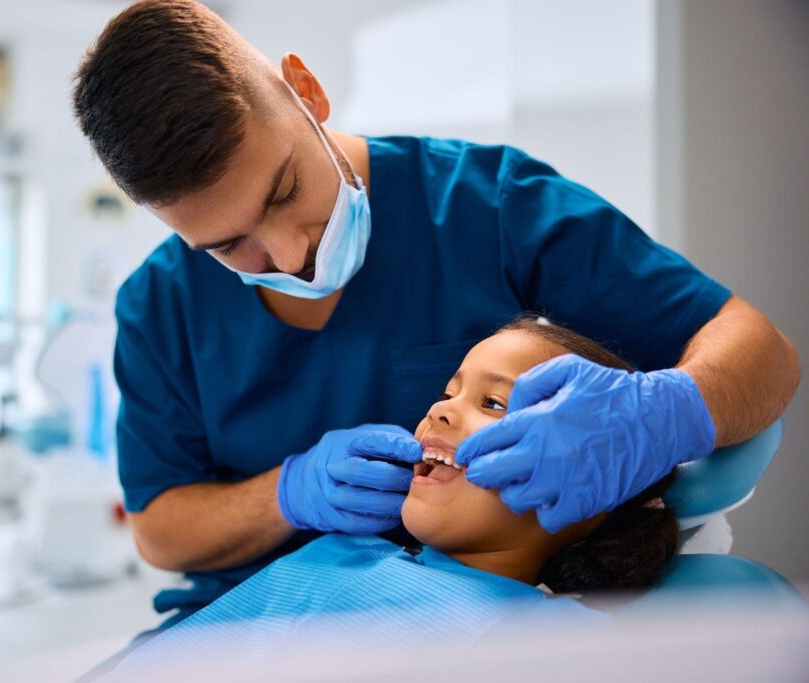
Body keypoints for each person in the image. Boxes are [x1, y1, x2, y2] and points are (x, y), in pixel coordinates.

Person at [71, 0, 800, 634]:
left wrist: (659, 415)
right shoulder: (159, 305)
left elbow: (760, 351)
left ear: (306, 91)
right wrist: (289, 491)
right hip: (239, 621)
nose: (290, 252)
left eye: (285, 189)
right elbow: (161, 529)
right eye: (228, 245)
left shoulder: (493, 208)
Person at [97, 318, 680, 679]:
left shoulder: (558, 641)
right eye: (448, 391)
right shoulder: (340, 552)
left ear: (590, 491)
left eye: (493, 404)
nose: (439, 410)